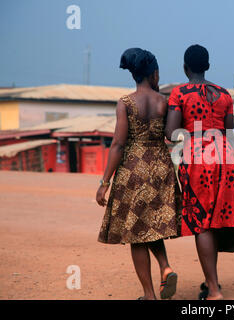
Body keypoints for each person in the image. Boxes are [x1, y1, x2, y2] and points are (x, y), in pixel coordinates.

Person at [96, 48, 181, 300]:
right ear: (154, 73)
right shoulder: (164, 101)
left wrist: (104, 182)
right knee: (152, 224)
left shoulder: (125, 103)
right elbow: (172, 134)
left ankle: (149, 295)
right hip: (161, 166)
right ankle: (165, 266)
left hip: (133, 170)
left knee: (136, 232)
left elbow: (118, 144)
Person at [165, 44, 234, 300]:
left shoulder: (180, 93)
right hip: (226, 159)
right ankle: (212, 282)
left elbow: (171, 133)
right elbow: (231, 134)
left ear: (185, 68)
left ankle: (213, 290)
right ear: (208, 66)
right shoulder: (223, 94)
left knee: (202, 224)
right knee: (217, 220)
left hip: (197, 159)